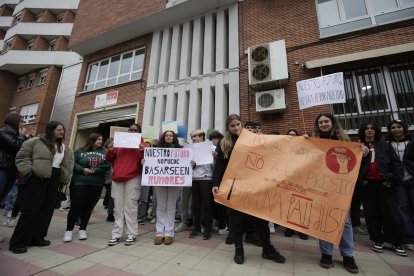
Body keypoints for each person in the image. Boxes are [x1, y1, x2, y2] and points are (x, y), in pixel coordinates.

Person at [212, 114, 286, 265]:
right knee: (236, 221)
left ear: (242, 124)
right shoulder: (224, 143)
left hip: (254, 186)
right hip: (233, 188)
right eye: (232, 125)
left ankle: (267, 249)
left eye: (238, 124)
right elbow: (219, 166)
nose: (236, 127)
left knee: (260, 220)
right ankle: (239, 249)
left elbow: (273, 152)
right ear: (228, 128)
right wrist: (215, 183)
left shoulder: (253, 139)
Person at [9, 121, 74, 254]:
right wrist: (29, 171)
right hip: (37, 179)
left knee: (46, 211)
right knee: (30, 211)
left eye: (63, 130)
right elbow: (21, 157)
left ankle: (37, 238)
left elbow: (65, 165)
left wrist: (64, 179)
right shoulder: (35, 141)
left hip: (54, 180)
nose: (62, 132)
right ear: (51, 130)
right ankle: (18, 242)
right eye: (59, 130)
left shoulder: (63, 147)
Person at [310, 113, 359, 273]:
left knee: (345, 222)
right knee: (324, 218)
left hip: (341, 188)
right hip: (322, 186)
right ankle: (326, 253)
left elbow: (354, 160)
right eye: (321, 122)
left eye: (326, 121)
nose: (324, 124)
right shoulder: (314, 142)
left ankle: (348, 255)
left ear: (332, 122)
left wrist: (363, 151)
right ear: (318, 126)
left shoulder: (345, 141)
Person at [359, 121, 407, 256]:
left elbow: (397, 164)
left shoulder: (385, 145)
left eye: (371, 128)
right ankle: (377, 240)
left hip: (385, 183)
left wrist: (393, 179)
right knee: (371, 213)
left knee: (391, 213)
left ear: (376, 131)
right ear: (363, 131)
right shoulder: (358, 146)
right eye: (366, 128)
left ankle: (396, 241)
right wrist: (361, 181)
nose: (369, 131)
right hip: (368, 185)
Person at [63, 133, 111, 242]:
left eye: (101, 139)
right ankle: (69, 230)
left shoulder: (105, 152)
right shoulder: (80, 151)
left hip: (96, 183)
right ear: (92, 140)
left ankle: (82, 229)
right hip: (79, 183)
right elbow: (72, 163)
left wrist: (97, 170)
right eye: (98, 139)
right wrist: (82, 169)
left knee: (88, 207)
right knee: (76, 206)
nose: (100, 141)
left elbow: (108, 164)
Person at [106, 123, 145, 246]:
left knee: (131, 206)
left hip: (133, 176)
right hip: (118, 176)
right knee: (117, 206)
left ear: (139, 133)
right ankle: (116, 233)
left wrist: (142, 150)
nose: (132, 132)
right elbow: (109, 159)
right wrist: (110, 150)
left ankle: (131, 233)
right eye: (131, 130)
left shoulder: (143, 144)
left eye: (135, 130)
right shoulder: (118, 142)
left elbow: (146, 159)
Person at [151, 130, 191, 245]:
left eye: (171, 135)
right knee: (161, 206)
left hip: (174, 181)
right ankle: (159, 233)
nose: (169, 137)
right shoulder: (156, 150)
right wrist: (145, 161)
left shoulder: (181, 150)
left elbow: (186, 162)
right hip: (160, 181)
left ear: (174, 138)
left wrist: (191, 164)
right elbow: (151, 162)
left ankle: (168, 233)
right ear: (164, 137)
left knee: (171, 206)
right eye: (167, 135)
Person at [386, 119, 414, 251]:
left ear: (404, 128)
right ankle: (409, 238)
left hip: (412, 179)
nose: (396, 130)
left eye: (399, 127)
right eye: (393, 128)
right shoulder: (387, 144)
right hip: (398, 182)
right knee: (403, 209)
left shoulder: (411, 143)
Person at [188, 129, 214, 240]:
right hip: (194, 179)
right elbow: (185, 166)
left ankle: (207, 229)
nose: (193, 138)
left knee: (207, 205)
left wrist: (214, 158)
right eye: (192, 137)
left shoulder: (211, 148)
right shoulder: (189, 150)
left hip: (206, 179)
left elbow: (216, 166)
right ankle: (197, 227)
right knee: (195, 205)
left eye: (195, 136)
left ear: (202, 136)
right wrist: (191, 164)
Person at [0, 113, 26, 203]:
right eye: (22, 121)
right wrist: (22, 136)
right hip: (2, 168)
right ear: (14, 122)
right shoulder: (2, 132)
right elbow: (17, 147)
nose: (24, 123)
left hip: (13, 170)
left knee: (2, 196)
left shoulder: (17, 135)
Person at [103, 138, 115, 222]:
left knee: (112, 196)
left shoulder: (116, 151)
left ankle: (110, 213)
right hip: (107, 177)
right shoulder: (104, 152)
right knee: (111, 195)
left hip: (112, 177)